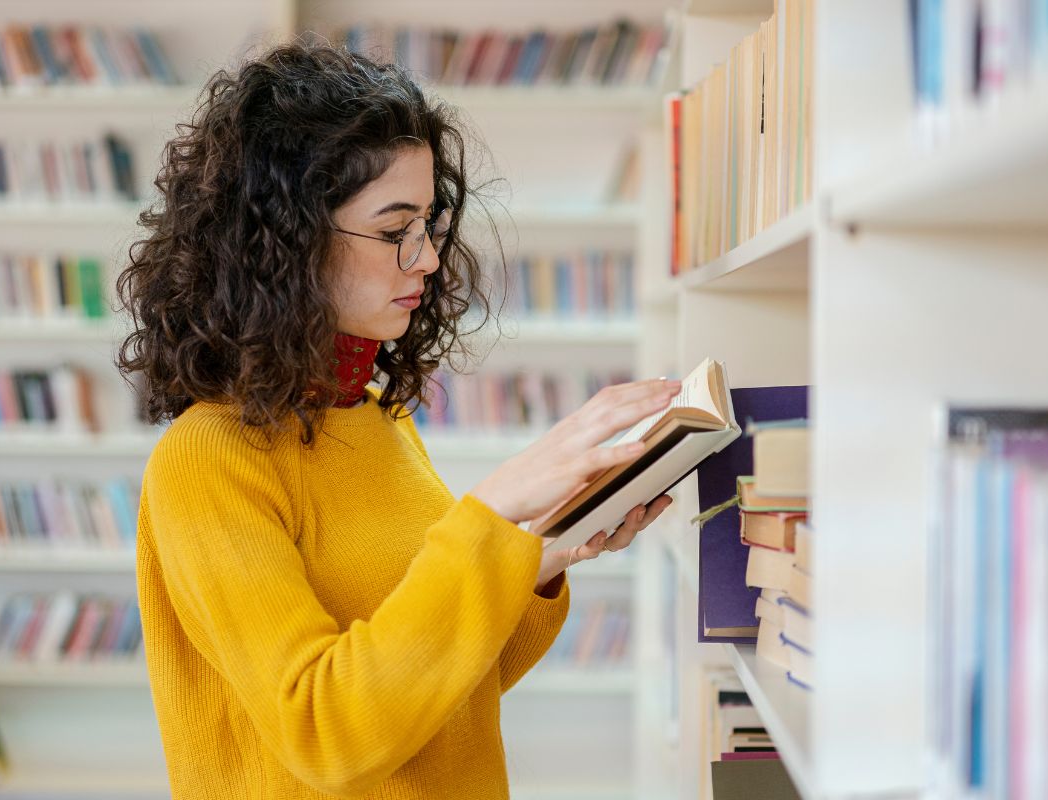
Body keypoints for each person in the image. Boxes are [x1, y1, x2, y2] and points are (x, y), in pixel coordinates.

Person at [116, 41, 679, 800]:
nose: (429, 262)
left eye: (429, 226)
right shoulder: (207, 461)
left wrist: (540, 555)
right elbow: (325, 733)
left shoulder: (376, 417)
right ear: (285, 241)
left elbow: (438, 699)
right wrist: (492, 512)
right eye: (393, 232)